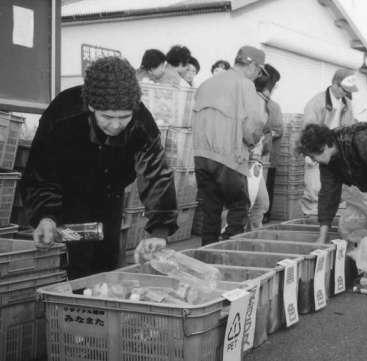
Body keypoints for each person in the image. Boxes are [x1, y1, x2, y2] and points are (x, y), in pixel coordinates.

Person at [21, 57, 178, 280]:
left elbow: (157, 175)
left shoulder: (142, 123)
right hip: (68, 199)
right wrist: (45, 216)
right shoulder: (63, 114)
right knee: (75, 265)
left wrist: (160, 230)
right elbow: (40, 172)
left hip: (110, 196)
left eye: (124, 117)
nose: (115, 125)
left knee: (106, 263)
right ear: (92, 107)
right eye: (107, 117)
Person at [192, 45, 266, 245]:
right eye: (259, 71)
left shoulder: (206, 84)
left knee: (210, 211)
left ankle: (206, 254)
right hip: (230, 157)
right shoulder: (245, 85)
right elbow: (254, 125)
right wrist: (252, 143)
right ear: (252, 66)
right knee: (239, 206)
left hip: (201, 156)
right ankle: (230, 251)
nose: (257, 75)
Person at [301, 69, 359, 215]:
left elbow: (349, 129)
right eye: (344, 90)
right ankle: (311, 220)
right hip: (317, 151)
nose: (346, 94)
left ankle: (329, 223)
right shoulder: (316, 102)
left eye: (348, 91)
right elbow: (308, 130)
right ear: (335, 84)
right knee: (313, 192)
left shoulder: (347, 104)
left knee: (336, 192)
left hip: (336, 154)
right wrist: (309, 154)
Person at [250, 64, 283, 226]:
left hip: (256, 160)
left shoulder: (265, 103)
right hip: (246, 160)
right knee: (249, 204)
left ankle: (251, 238)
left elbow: (274, 130)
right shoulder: (254, 100)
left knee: (260, 203)